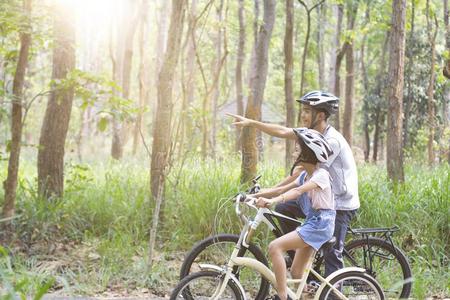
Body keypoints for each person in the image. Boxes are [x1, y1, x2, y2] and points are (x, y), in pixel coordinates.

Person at [228, 90, 360, 278]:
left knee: (332, 254)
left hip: (338, 203)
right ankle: (300, 260)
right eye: (303, 110)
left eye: (307, 111)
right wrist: (251, 123)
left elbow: (300, 175)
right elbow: (282, 131)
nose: (303, 115)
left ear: (320, 115)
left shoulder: (330, 142)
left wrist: (272, 192)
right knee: (283, 208)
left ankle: (332, 293)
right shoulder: (310, 136)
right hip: (318, 197)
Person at [255, 129, 335, 300]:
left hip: (320, 224)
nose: (293, 153)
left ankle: (283, 296)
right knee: (297, 271)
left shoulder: (321, 175)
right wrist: (253, 196)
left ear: (308, 153)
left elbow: (297, 191)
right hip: (313, 222)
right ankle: (304, 296)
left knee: (275, 247)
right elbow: (282, 189)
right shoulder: (306, 175)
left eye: (297, 150)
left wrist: (273, 201)